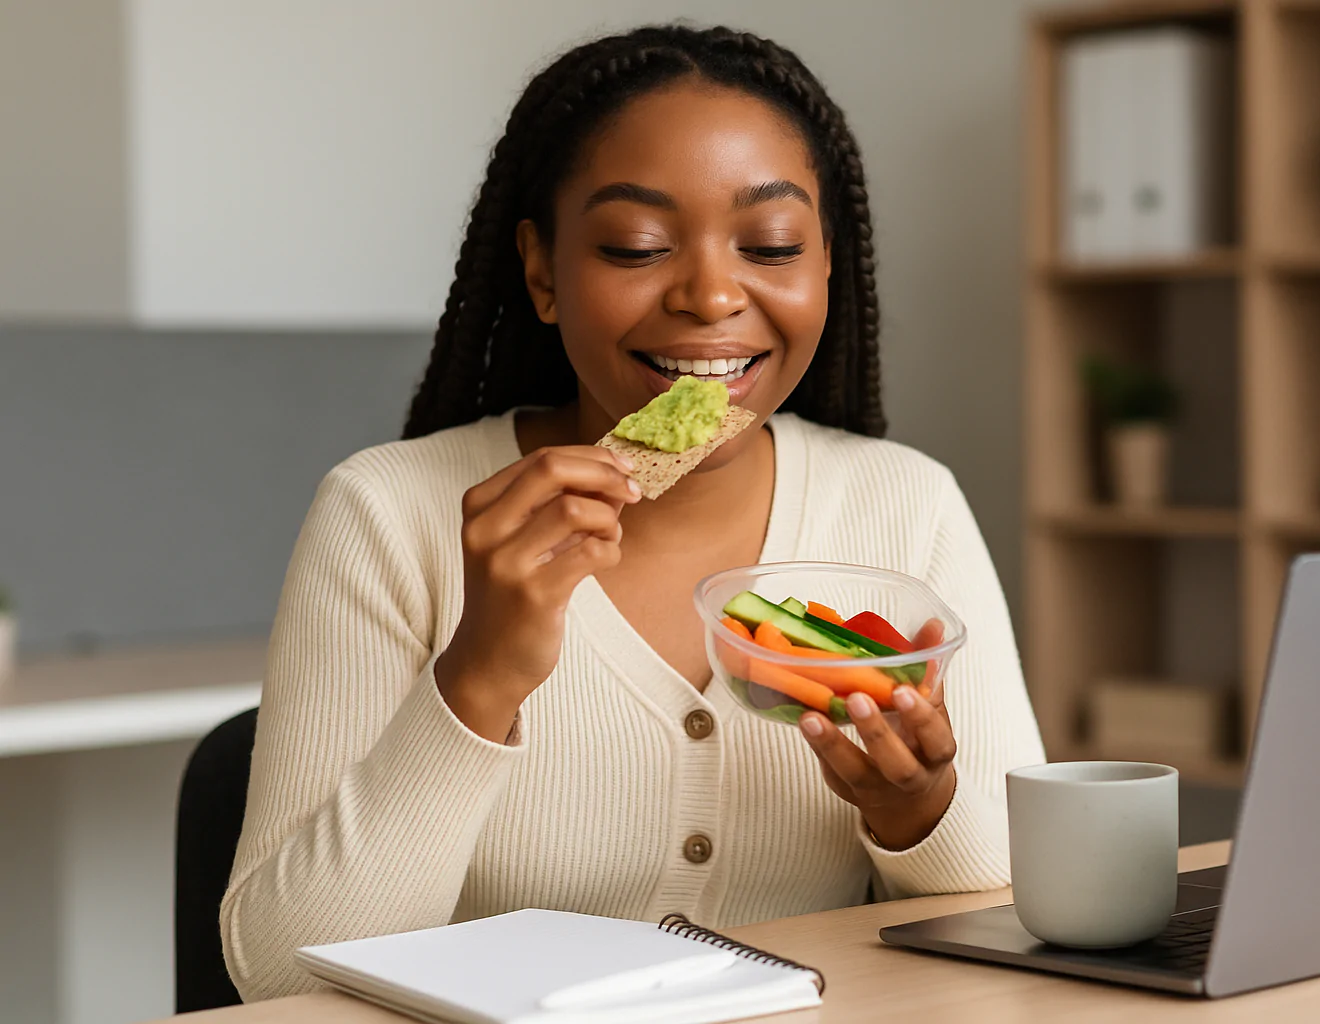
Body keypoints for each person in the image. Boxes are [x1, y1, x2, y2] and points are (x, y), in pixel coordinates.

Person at [221, 24, 1044, 1001]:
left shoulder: (904, 506)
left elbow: (1012, 921)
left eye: (771, 245)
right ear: (541, 272)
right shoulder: (388, 514)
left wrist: (916, 808)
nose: (708, 293)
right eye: (637, 246)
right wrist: (476, 681)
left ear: (827, 266)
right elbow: (278, 974)